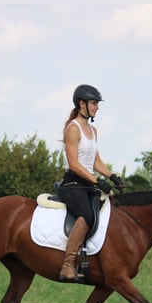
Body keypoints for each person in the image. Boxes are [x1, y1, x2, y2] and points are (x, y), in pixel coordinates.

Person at [57, 84, 124, 281]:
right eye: (94, 103)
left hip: (87, 183)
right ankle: (67, 265)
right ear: (81, 104)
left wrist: (112, 176)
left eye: (96, 104)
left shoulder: (93, 130)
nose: (97, 107)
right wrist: (97, 180)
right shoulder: (73, 128)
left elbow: (95, 161)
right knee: (87, 214)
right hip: (73, 184)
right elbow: (74, 164)